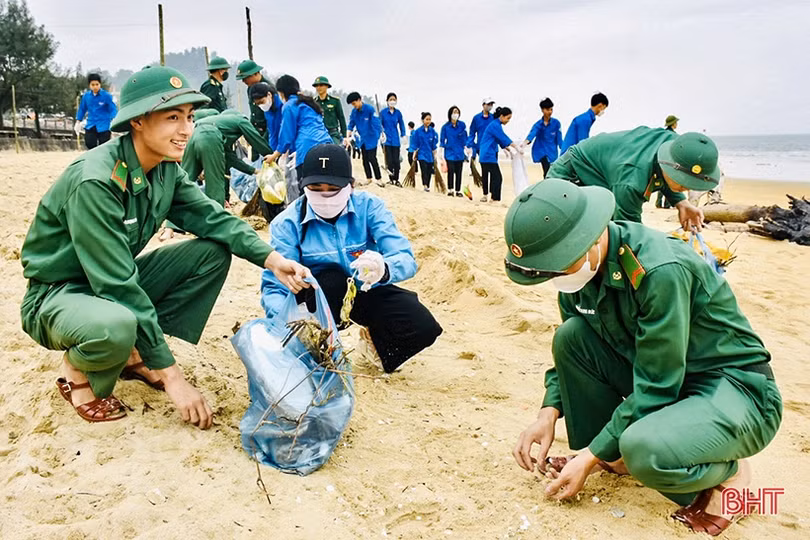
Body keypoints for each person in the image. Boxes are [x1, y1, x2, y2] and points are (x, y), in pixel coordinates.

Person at [19, 65, 310, 427]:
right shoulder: (96, 180)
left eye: (189, 117)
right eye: (173, 117)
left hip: (108, 285)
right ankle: (76, 373)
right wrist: (173, 377)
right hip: (59, 294)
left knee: (211, 253)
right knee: (116, 324)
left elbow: (213, 219)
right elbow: (118, 285)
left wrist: (272, 259)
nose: (186, 129)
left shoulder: (163, 168)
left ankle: (133, 353)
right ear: (138, 121)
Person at [505, 179, 781, 536]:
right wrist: (547, 414)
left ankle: (733, 480)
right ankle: (613, 454)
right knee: (571, 337)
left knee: (644, 450)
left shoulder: (658, 270)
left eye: (557, 266)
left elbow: (657, 385)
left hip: (735, 389)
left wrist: (588, 458)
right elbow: (575, 349)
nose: (554, 277)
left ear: (589, 240)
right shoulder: (575, 272)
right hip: (668, 379)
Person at [261, 144, 442, 373]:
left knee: (422, 326)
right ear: (303, 186)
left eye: (333, 188)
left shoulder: (370, 207)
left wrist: (383, 269)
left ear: (351, 186)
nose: (325, 195)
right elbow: (275, 285)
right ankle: (320, 350)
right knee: (331, 280)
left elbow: (405, 257)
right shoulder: (287, 223)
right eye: (316, 188)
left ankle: (374, 342)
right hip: (319, 302)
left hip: (365, 289)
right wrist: (284, 327)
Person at [547, 127, 717, 230]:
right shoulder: (632, 181)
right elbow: (630, 230)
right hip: (571, 176)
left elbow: (665, 172)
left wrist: (682, 202)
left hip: (607, 178)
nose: (686, 188)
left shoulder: (676, 146)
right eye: (682, 182)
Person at [263, 75, 333, 194]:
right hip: (327, 144)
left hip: (307, 149)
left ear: (282, 92)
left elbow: (286, 136)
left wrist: (274, 156)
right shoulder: (308, 103)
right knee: (327, 185)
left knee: (307, 189)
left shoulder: (289, 106)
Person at [478, 106, 519, 203]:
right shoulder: (495, 125)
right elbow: (503, 137)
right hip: (488, 155)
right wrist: (516, 147)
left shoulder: (496, 124)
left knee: (492, 176)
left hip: (486, 154)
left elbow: (499, 140)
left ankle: (492, 197)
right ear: (502, 116)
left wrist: (508, 149)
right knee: (497, 177)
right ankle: (495, 198)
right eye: (508, 118)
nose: (508, 121)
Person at [236, 59, 271, 159]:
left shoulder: (267, 89)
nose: (244, 81)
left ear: (255, 74)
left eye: (245, 78)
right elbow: (253, 113)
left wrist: (264, 139)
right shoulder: (250, 89)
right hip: (256, 132)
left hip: (266, 133)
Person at [345, 92, 382, 184]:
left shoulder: (370, 109)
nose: (354, 106)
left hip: (372, 137)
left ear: (359, 100)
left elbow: (376, 123)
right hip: (362, 139)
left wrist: (379, 134)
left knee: (372, 158)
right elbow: (351, 125)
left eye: (354, 103)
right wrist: (347, 137)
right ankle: (368, 178)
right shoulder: (354, 112)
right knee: (364, 159)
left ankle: (379, 179)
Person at [75, 73, 118, 149]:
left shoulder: (106, 96)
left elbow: (112, 108)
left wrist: (113, 119)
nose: (95, 87)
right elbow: (82, 109)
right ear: (89, 85)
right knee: (89, 143)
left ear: (100, 84)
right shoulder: (86, 96)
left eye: (97, 84)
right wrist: (78, 121)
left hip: (104, 125)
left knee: (103, 147)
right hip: (91, 124)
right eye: (93, 85)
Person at [524, 97, 562, 178]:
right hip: (541, 151)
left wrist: (565, 149)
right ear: (542, 110)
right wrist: (525, 143)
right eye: (547, 109)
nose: (550, 112)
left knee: (552, 172)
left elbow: (559, 139)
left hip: (552, 152)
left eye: (551, 109)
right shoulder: (538, 124)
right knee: (547, 170)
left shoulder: (556, 123)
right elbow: (532, 134)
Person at [440, 106, 467, 197]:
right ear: (450, 113)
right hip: (450, 152)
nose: (456, 114)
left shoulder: (462, 125)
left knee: (459, 172)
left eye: (457, 112)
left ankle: (458, 190)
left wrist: (468, 148)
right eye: (454, 112)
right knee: (451, 171)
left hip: (459, 152)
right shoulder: (445, 127)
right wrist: (441, 151)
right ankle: (450, 189)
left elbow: (464, 137)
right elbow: (442, 139)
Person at [380, 92, 407, 185]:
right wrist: (382, 133)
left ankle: (397, 179)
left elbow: (402, 124)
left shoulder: (398, 113)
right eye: (390, 99)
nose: (392, 101)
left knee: (396, 161)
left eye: (394, 100)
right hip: (386, 140)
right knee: (389, 161)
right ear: (387, 101)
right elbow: (379, 124)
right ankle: (391, 179)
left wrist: (403, 135)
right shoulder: (383, 113)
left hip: (395, 140)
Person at [248, 81, 284, 151]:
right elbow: (272, 134)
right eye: (258, 104)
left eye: (262, 102)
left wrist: (281, 151)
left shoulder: (283, 106)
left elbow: (288, 132)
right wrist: (272, 152)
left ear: (269, 94)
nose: (261, 106)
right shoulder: (267, 111)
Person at [312, 76, 348, 145]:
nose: (318, 88)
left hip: (332, 133)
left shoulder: (335, 101)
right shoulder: (313, 102)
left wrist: (345, 136)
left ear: (327, 86)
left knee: (335, 151)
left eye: (321, 85)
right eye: (316, 86)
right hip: (318, 133)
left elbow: (341, 118)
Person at [412, 112, 439, 192]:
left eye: (429, 119)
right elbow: (415, 143)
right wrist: (414, 154)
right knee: (423, 169)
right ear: (423, 120)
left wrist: (435, 155)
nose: (428, 121)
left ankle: (428, 184)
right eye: (426, 119)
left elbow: (434, 144)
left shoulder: (432, 131)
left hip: (429, 155)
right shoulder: (418, 131)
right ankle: (425, 185)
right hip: (421, 154)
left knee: (429, 170)